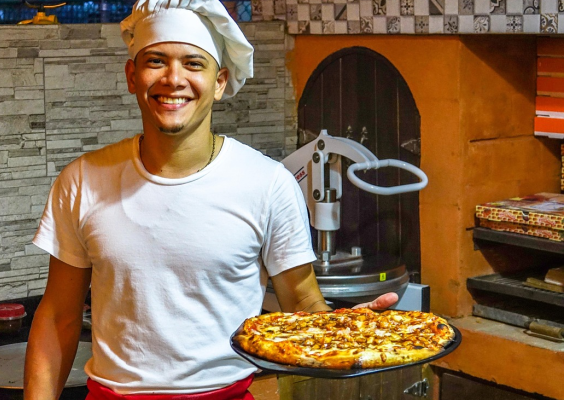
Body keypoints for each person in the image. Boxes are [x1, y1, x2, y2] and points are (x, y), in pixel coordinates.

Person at [23, 0, 398, 399]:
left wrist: (345, 331)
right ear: (132, 76)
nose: (174, 79)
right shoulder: (82, 180)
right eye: (156, 61)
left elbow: (302, 300)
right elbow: (59, 317)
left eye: (193, 63)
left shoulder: (267, 183)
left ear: (219, 82)